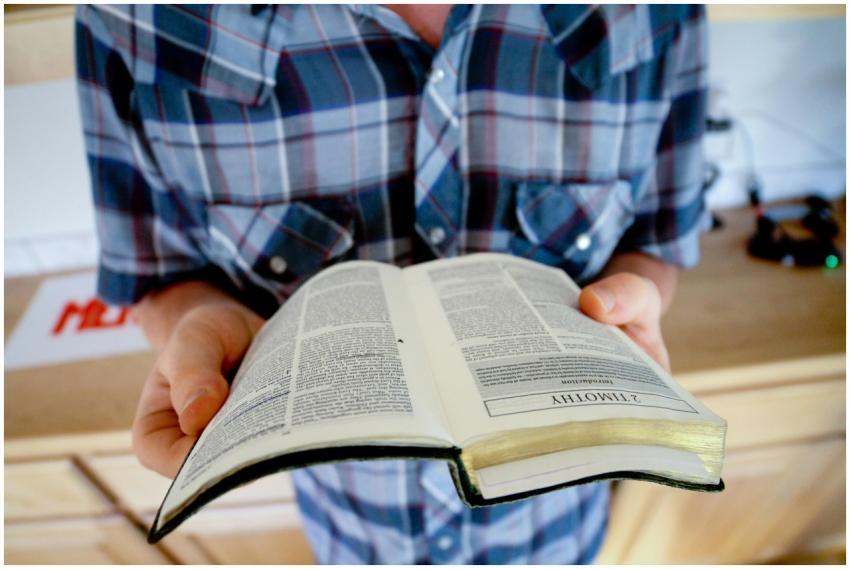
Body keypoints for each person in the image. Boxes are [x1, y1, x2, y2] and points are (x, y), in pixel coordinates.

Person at [76, 4, 708, 564]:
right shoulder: (135, 19)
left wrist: (635, 300)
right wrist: (199, 324)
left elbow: (655, 242)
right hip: (352, 530)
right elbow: (161, 272)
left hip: (559, 526)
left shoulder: (656, 12)